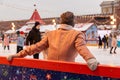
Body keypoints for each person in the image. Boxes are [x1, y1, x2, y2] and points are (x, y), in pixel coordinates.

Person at [7, 11, 99, 71]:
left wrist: (18, 54)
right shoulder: (77, 34)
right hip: (67, 71)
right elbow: (82, 48)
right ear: (73, 22)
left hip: (50, 71)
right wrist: (90, 59)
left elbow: (36, 47)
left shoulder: (51, 34)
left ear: (61, 21)